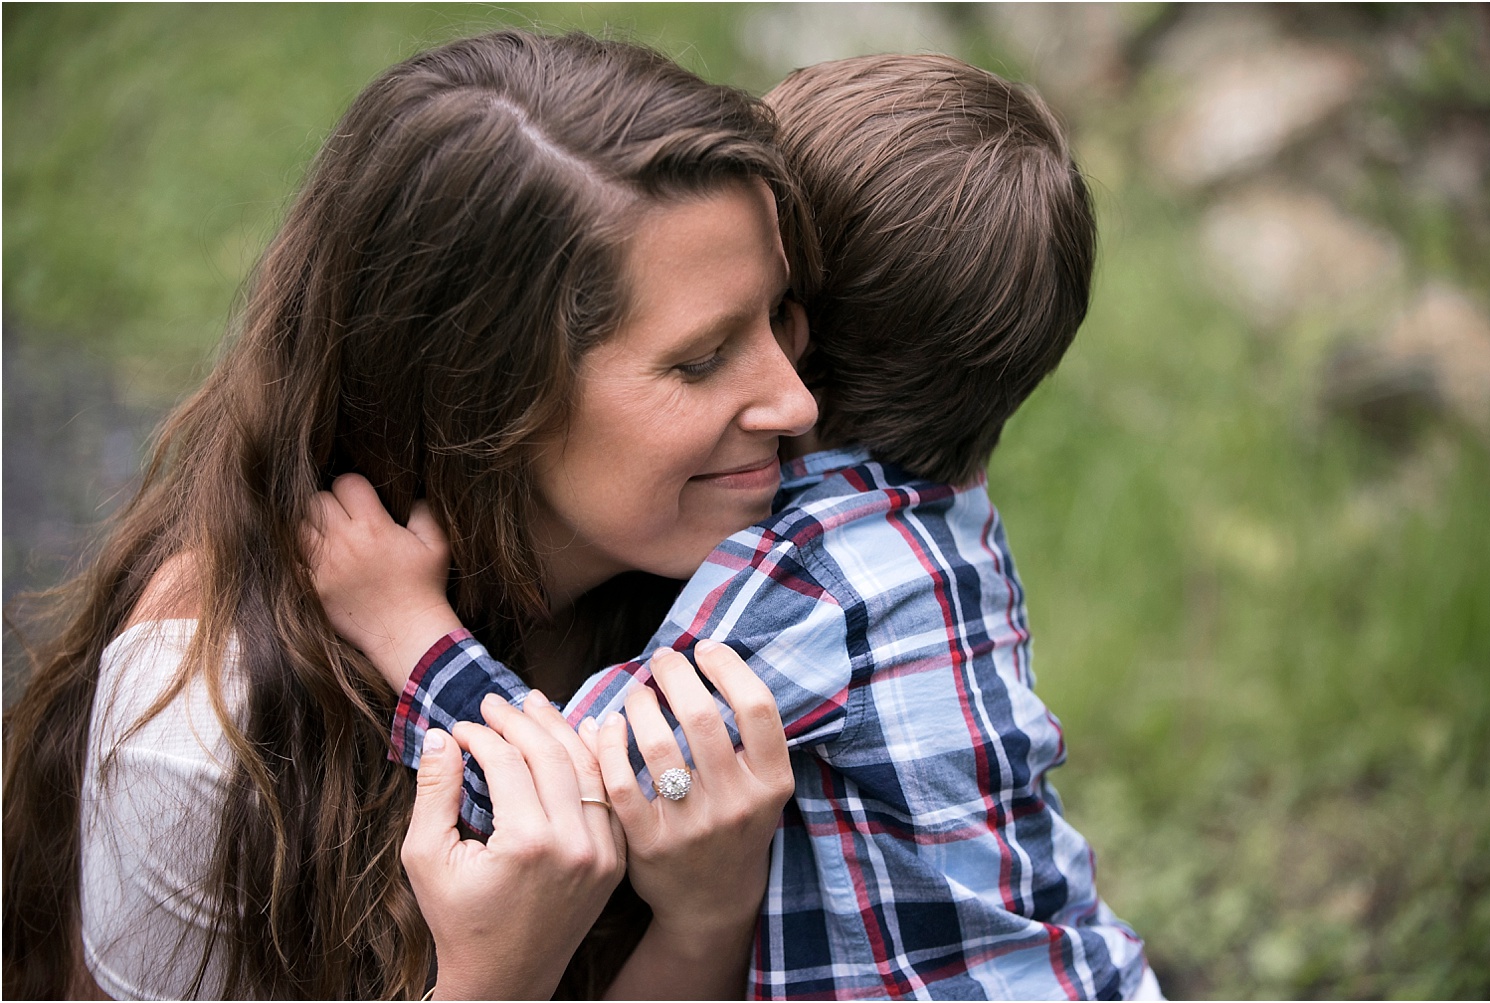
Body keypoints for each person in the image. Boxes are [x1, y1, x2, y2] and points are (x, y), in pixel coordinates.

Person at [312, 54, 1166, 999]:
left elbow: (562, 802)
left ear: (804, 325)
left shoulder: (814, 571)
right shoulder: (949, 523)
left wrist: (404, 624)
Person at [1, 29, 814, 1000]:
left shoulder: (755, 597)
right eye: (700, 358)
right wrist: (492, 979)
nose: (796, 401)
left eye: (781, 316)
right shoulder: (206, 736)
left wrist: (707, 915)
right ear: (488, 398)